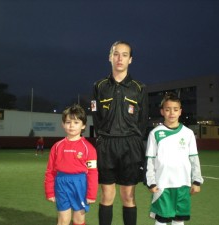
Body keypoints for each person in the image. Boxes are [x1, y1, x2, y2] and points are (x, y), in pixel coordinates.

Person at [92, 40, 149, 225]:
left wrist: (133, 138)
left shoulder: (139, 88)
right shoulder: (99, 86)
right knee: (107, 195)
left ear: (130, 60)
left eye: (124, 55)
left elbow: (143, 121)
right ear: (110, 57)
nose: (120, 58)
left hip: (130, 146)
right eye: (116, 54)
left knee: (128, 196)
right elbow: (95, 116)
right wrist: (103, 136)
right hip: (106, 145)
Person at [145, 92, 204, 225]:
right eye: (167, 109)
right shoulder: (155, 133)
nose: (172, 113)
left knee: (179, 219)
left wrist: (197, 181)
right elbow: (150, 159)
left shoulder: (188, 133)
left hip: (183, 184)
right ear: (162, 112)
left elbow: (194, 158)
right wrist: (151, 181)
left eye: (175, 109)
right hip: (162, 184)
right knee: (161, 219)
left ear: (180, 112)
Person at [44, 104, 98, 225]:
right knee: (63, 220)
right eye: (68, 122)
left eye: (76, 122)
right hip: (61, 183)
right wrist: (49, 191)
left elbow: (93, 172)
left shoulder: (89, 148)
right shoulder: (57, 147)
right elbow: (50, 171)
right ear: (63, 124)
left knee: (79, 220)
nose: (72, 125)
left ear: (83, 125)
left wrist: (91, 194)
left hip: (80, 184)